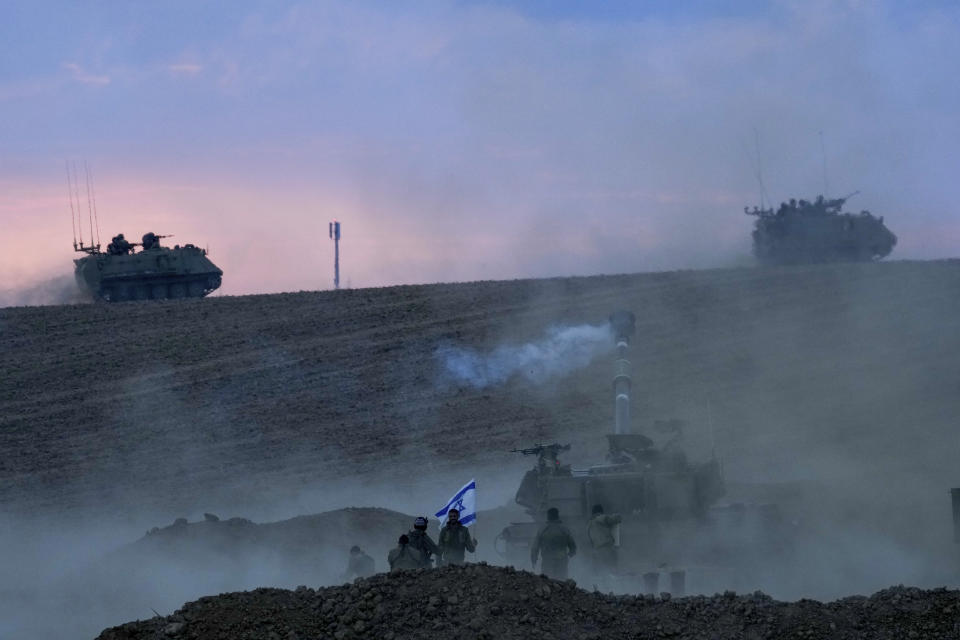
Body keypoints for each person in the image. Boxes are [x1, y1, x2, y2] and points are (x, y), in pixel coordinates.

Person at [531, 507, 577, 580]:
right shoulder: (564, 529)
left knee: (547, 583)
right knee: (562, 583)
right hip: (562, 561)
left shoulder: (542, 530)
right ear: (557, 516)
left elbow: (535, 547)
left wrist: (534, 559)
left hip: (547, 561)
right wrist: (571, 554)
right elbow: (573, 545)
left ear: (548, 517)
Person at [587, 504, 622, 574]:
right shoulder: (601, 518)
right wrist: (618, 514)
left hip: (597, 551)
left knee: (601, 574)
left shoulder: (589, 524)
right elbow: (615, 519)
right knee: (613, 573)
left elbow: (590, 540)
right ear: (600, 512)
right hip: (607, 550)